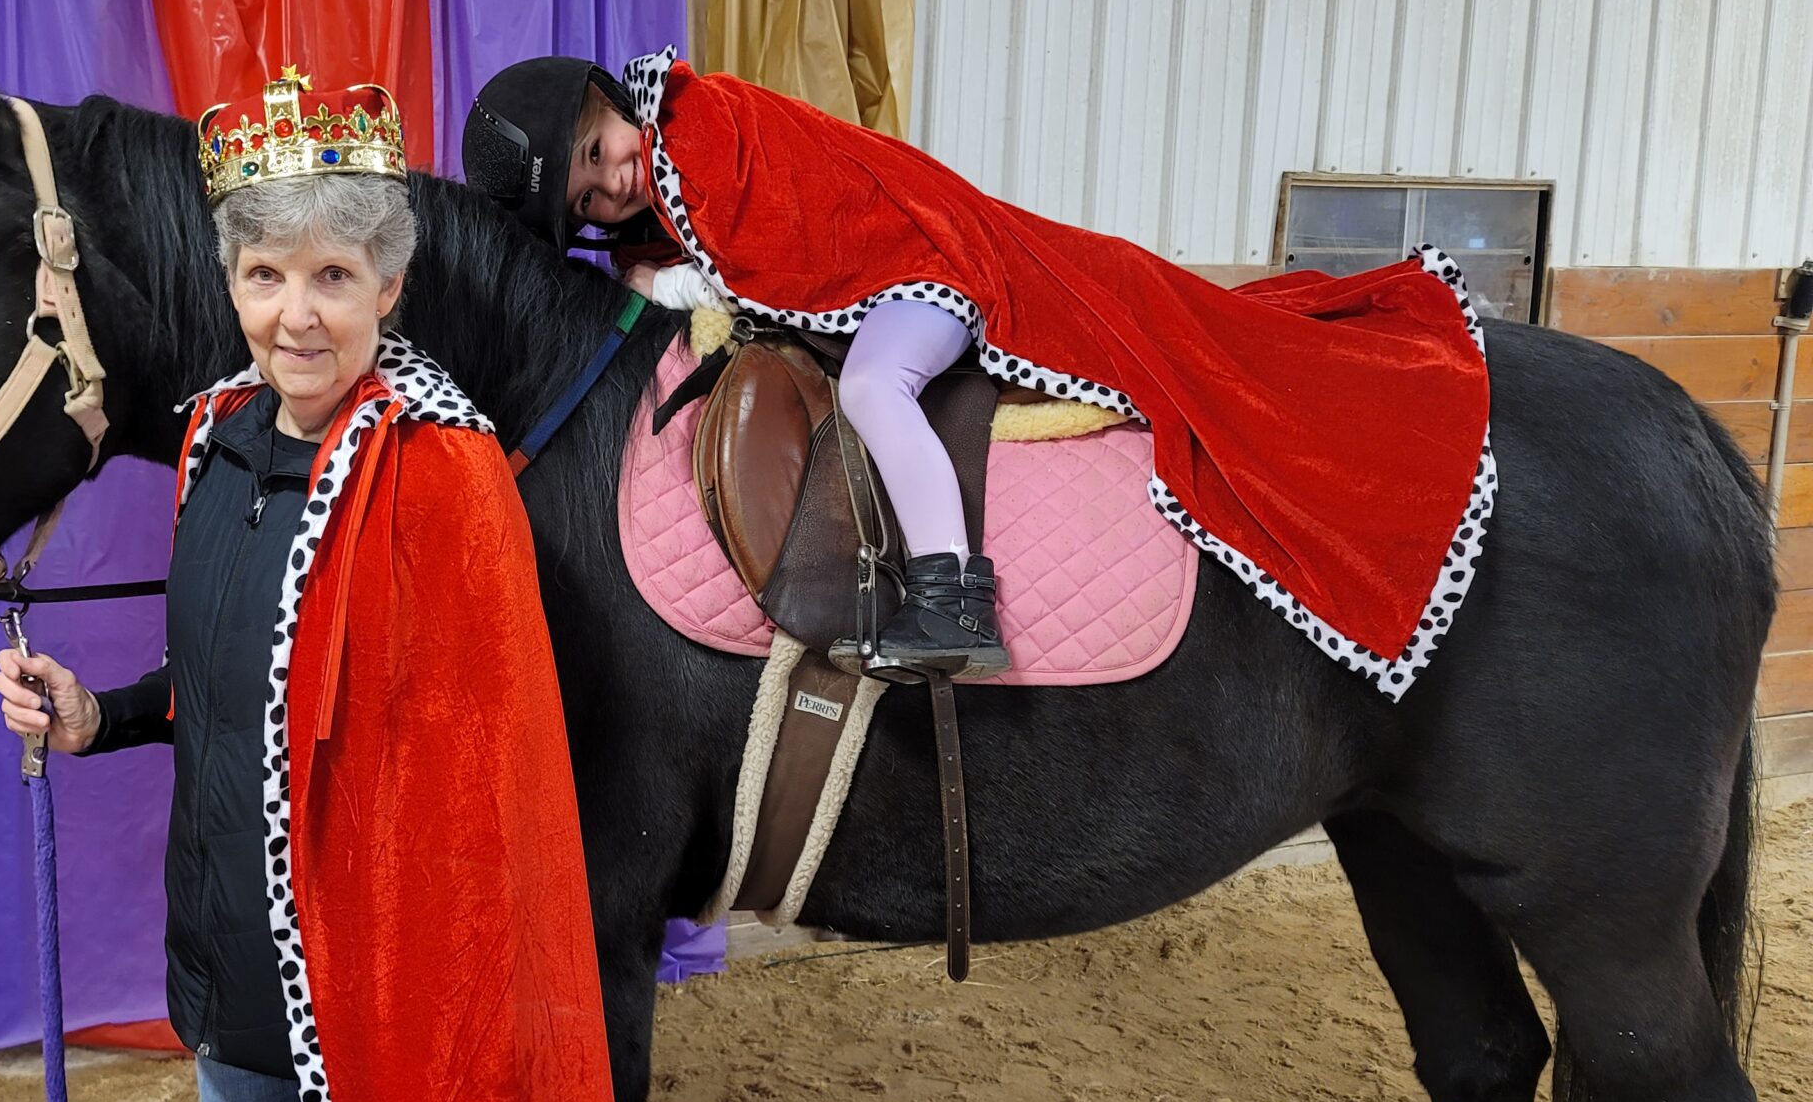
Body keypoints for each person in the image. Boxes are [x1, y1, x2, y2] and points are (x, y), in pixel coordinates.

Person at [0, 71, 653, 1102]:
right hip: (234, 986)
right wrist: (98, 713)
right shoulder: (216, 440)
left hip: (393, 1013)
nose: (298, 311)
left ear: (391, 285)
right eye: (265, 271)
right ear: (229, 278)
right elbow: (240, 674)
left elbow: (488, 803)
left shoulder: (446, 476)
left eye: (334, 276)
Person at [460, 51, 1495, 705]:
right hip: (885, 273)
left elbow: (792, 231)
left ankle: (955, 597)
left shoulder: (705, 132)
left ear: (608, 99)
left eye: (599, 149)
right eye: (591, 199)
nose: (612, 180)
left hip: (922, 269)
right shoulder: (672, 183)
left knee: (871, 392)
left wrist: (690, 276)